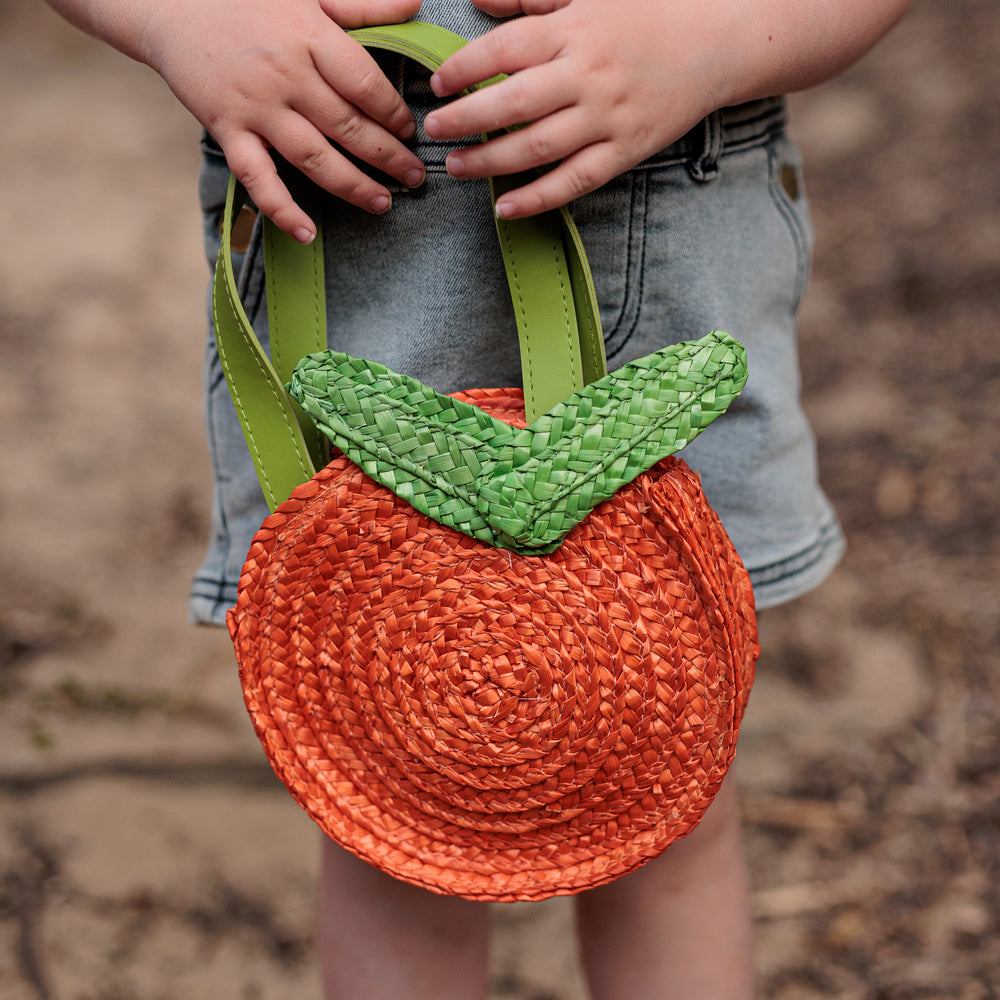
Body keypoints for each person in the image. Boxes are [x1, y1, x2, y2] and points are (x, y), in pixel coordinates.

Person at [42, 0, 913, 997]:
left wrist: (701, 40)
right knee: (388, 798)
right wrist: (188, 23)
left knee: (666, 776)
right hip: (354, 254)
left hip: (667, 212)